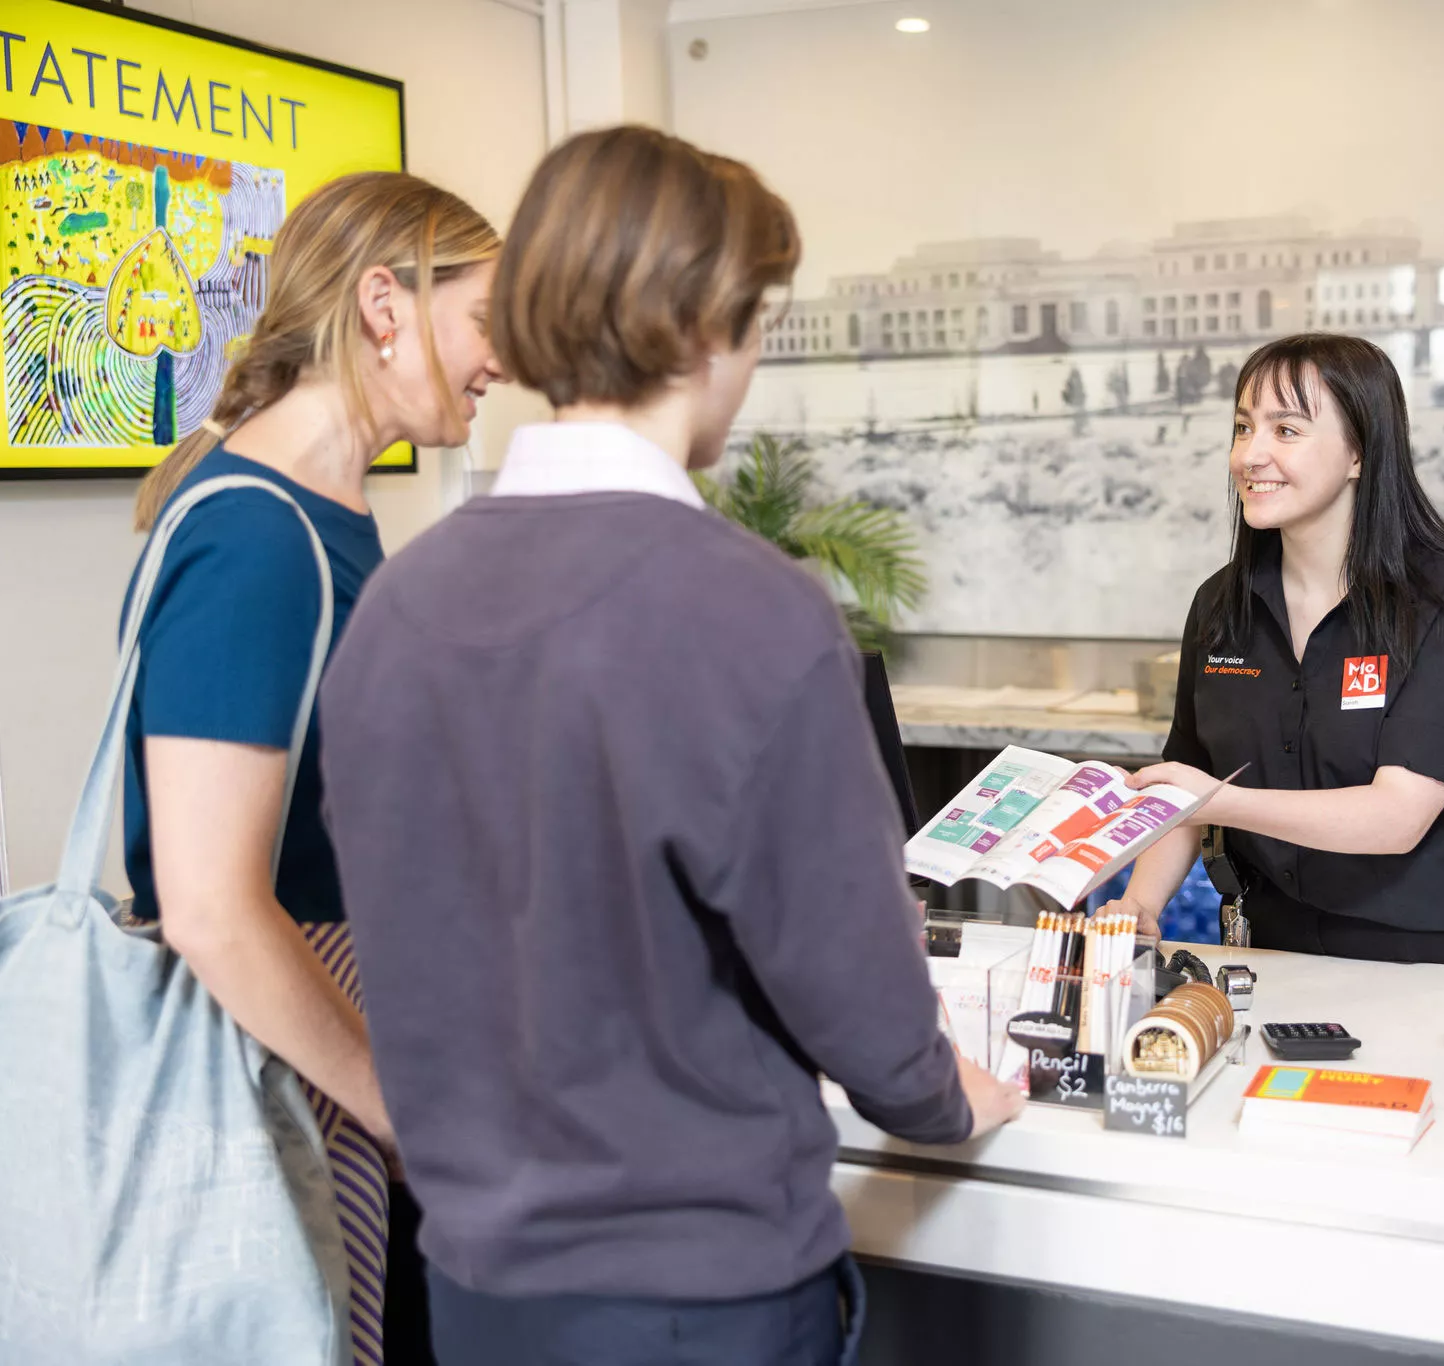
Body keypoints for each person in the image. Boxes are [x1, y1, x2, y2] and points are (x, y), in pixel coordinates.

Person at [317, 125, 1025, 1366]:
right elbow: (855, 985)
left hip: (472, 1293)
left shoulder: (399, 605)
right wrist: (947, 1093)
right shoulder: (751, 612)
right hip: (704, 1298)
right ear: (709, 329)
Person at [122, 171, 504, 1365]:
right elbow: (214, 909)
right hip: (283, 1075)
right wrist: (396, 1104)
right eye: (487, 319)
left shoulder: (330, 512)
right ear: (384, 303)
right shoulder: (255, 537)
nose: (505, 359)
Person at [1115, 333, 1444, 965]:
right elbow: (1188, 788)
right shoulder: (1220, 606)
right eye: (1242, 427)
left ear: (1359, 453)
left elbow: (1397, 818)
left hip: (1434, 955)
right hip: (1275, 951)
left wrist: (1215, 799)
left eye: (1286, 430)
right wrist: (1141, 908)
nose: (1251, 455)